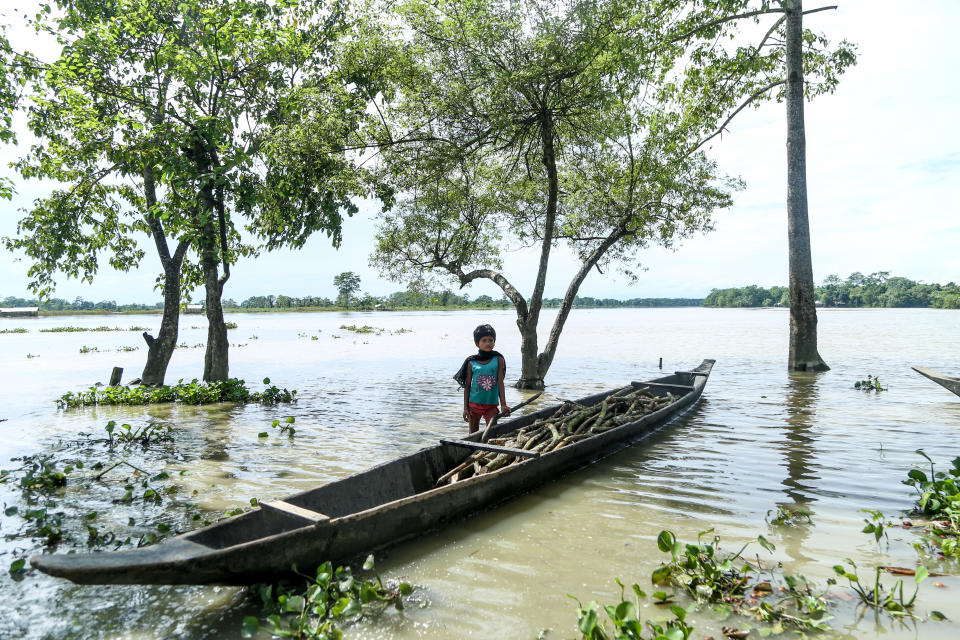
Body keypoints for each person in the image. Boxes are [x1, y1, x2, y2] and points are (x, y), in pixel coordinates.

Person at [456, 324, 510, 434]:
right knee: (473, 434)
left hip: (491, 405)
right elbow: (467, 386)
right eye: (484, 340)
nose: (488, 343)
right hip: (473, 405)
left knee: (492, 434)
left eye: (491, 340)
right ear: (477, 343)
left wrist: (503, 404)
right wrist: (466, 408)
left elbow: (500, 382)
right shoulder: (471, 362)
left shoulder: (498, 359)